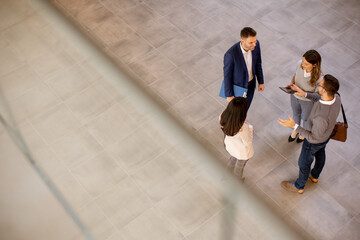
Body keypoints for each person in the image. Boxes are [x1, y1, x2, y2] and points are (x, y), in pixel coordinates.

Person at [278, 74, 341, 193]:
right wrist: (305, 94)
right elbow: (320, 98)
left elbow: (313, 137)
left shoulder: (322, 117)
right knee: (321, 154)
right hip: (326, 135)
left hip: (314, 142)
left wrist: (294, 126)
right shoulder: (336, 97)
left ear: (325, 90)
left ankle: (299, 186)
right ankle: (315, 175)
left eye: (320, 85)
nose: (318, 86)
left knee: (303, 163)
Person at [223, 27, 264, 109]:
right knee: (236, 111)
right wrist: (229, 95)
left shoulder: (256, 45)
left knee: (246, 107)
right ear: (243, 41)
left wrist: (261, 81)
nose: (254, 44)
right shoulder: (230, 55)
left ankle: (243, 120)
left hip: (251, 84)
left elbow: (258, 64)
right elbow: (227, 76)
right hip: (238, 87)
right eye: (251, 42)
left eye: (255, 41)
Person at [287, 50, 323, 143]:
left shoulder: (319, 77)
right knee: (296, 114)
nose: (303, 65)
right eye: (303, 62)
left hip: (307, 101)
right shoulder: (299, 64)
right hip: (294, 96)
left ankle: (303, 134)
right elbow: (295, 75)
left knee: (306, 119)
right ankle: (295, 131)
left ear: (314, 65)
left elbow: (318, 95)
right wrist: (291, 84)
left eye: (306, 64)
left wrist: (302, 92)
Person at [220, 97, 254, 181]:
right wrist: (250, 128)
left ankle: (225, 177)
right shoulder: (243, 128)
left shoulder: (222, 117)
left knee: (232, 160)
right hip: (242, 152)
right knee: (239, 168)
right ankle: (236, 183)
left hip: (230, 146)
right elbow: (248, 142)